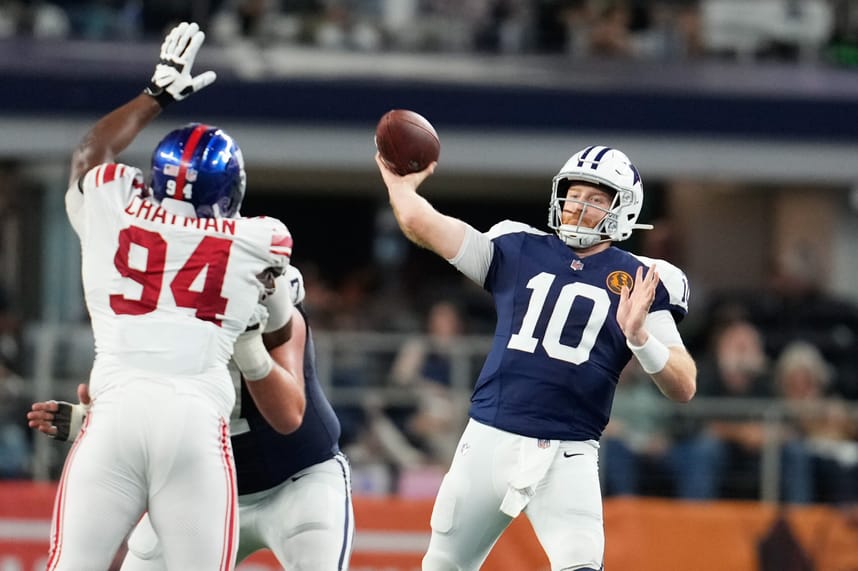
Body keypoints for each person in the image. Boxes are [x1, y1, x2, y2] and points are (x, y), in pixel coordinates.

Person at [43, 21, 304, 570]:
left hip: (112, 415)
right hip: (194, 422)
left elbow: (90, 155)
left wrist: (155, 93)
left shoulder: (111, 204)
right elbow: (282, 326)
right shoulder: (262, 240)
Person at [375, 144, 697, 571]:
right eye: (575, 193)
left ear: (624, 210)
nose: (579, 206)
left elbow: (684, 384)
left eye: (596, 198)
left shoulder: (644, 278)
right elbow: (422, 223)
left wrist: (640, 337)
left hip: (568, 452)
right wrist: (400, 186)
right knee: (442, 566)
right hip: (489, 439)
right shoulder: (517, 246)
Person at [29, 265, 355, 570]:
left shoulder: (277, 315)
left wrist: (249, 346)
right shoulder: (162, 327)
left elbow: (288, 416)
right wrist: (102, 424)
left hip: (297, 480)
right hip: (205, 490)